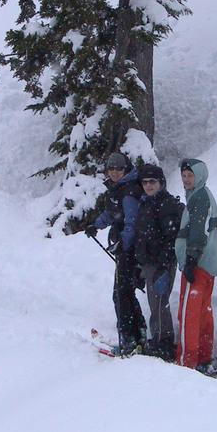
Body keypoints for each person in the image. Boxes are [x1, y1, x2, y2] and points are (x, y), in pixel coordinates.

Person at [85, 152, 147, 355]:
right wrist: (96, 225)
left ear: (126, 169)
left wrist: (124, 245)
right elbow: (112, 213)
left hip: (130, 251)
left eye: (119, 168)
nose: (114, 172)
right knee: (126, 292)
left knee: (120, 294)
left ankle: (129, 340)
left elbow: (131, 221)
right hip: (126, 249)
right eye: (111, 169)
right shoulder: (119, 189)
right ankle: (139, 335)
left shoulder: (128, 192)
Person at [174, 158, 217, 373]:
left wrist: (191, 260)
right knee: (203, 312)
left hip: (198, 264)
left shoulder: (199, 198)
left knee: (189, 315)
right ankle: (203, 356)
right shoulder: (202, 194)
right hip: (208, 264)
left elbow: (198, 231)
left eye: (190, 175)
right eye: (184, 176)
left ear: (199, 176)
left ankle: (187, 362)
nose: (186, 180)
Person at [134, 163, 183, 361]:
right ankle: (159, 339)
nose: (148, 185)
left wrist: (163, 264)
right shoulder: (147, 203)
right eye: (145, 182)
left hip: (162, 263)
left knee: (159, 303)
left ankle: (164, 342)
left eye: (152, 181)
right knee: (155, 302)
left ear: (161, 182)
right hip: (149, 263)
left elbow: (171, 238)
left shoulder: (166, 204)